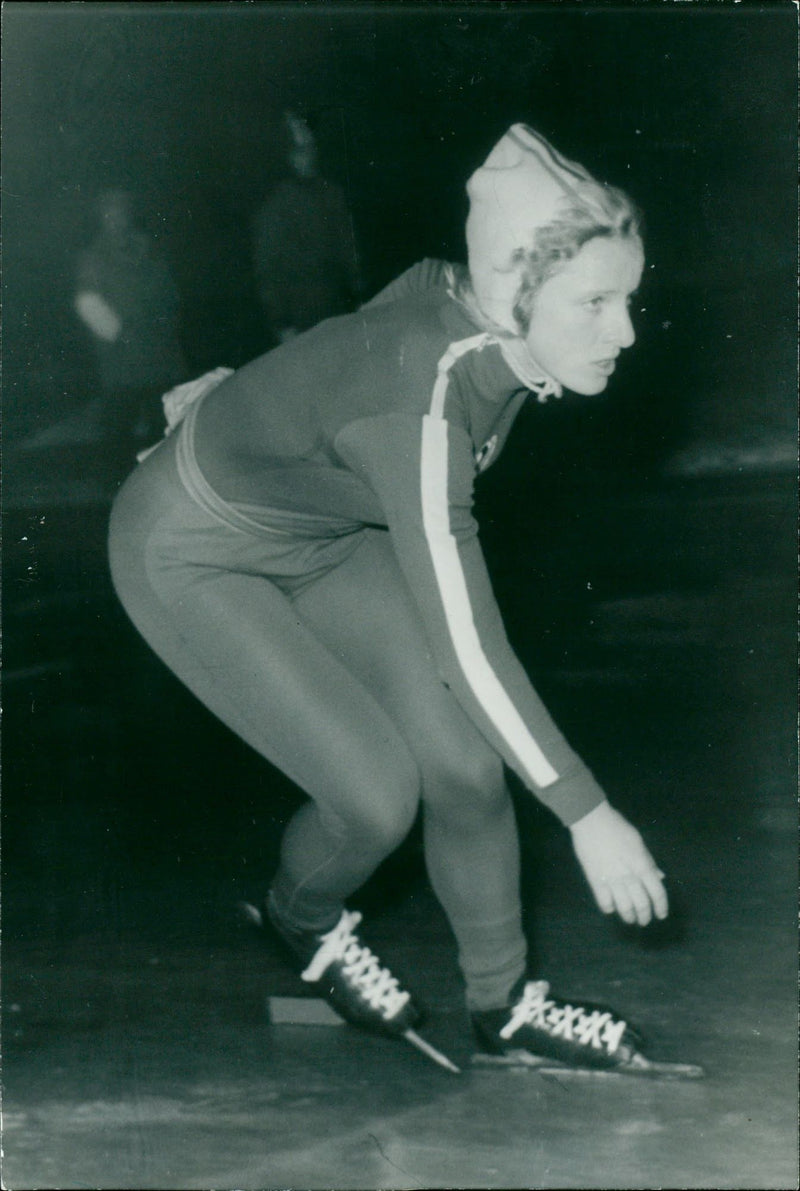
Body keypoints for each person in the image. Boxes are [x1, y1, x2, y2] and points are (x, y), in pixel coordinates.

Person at [108, 124, 668, 1070]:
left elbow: (373, 321)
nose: (624, 331)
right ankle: (302, 920)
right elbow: (469, 644)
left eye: (630, 298)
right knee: (374, 797)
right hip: (191, 549)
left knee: (467, 766)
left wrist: (245, 395)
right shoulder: (421, 420)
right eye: (597, 303)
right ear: (512, 294)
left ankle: (504, 1005)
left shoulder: (470, 302)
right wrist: (587, 812)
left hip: (323, 530)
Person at [72, 188, 188, 456]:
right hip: (122, 358)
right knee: (118, 427)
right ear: (100, 218)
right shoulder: (93, 258)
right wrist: (121, 335)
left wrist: (168, 327)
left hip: (160, 351)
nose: (116, 218)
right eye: (109, 213)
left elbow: (170, 293)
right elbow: (87, 303)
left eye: (121, 212)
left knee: (164, 426)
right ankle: (114, 480)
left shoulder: (149, 249)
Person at [251, 112, 365, 344]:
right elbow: (267, 271)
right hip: (300, 323)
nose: (308, 157)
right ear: (285, 155)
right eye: (299, 150)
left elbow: (349, 252)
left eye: (311, 148)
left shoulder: (332, 194)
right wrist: (282, 324)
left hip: (339, 312)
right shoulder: (272, 208)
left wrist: (360, 298)